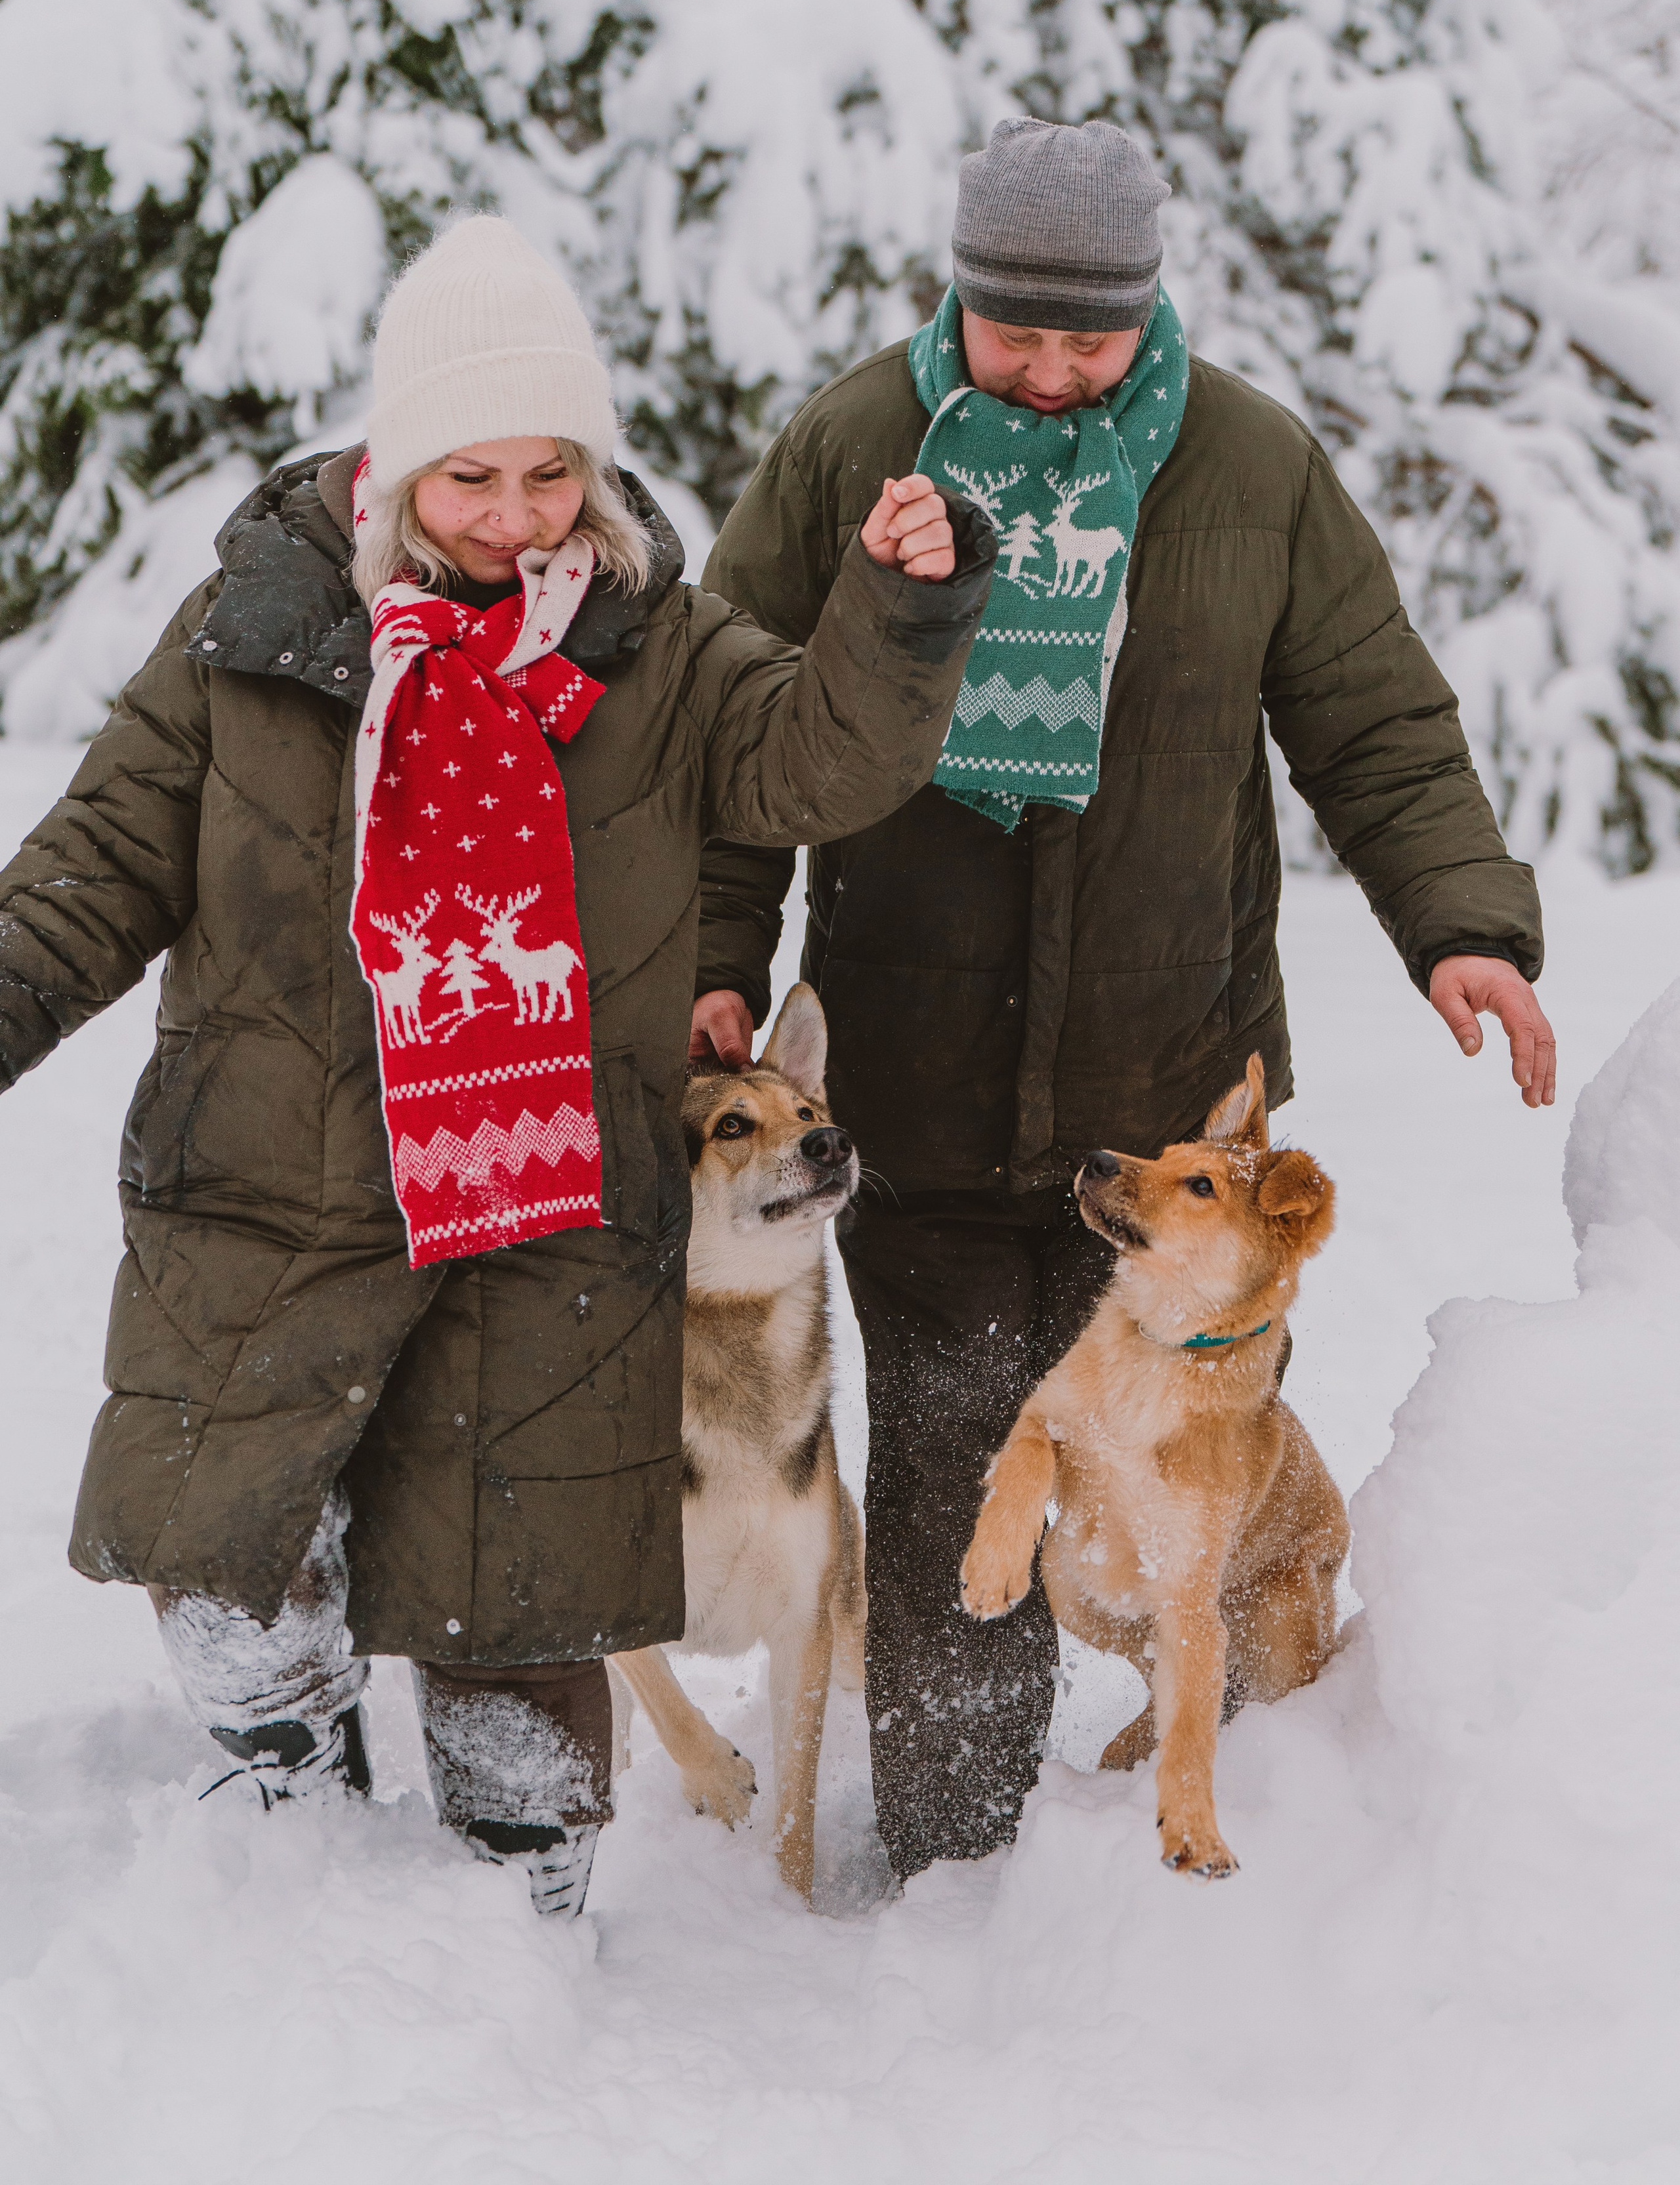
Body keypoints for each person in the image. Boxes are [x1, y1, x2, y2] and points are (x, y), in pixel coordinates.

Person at [0, 216, 992, 1917]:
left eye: (552, 475)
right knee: (231, 1570)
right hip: (270, 1191)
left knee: (513, 1631)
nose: (518, 518)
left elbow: (822, 759)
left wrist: (903, 615)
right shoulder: (253, 634)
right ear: (396, 472)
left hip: (544, 1224)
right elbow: (93, 871)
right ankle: (285, 1824)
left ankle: (515, 1959)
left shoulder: (656, 651)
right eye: (472, 477)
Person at [690, 116, 1553, 1887]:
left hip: (1175, 1111)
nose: (1053, 370)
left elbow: (1374, 715)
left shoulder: (1249, 464)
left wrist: (1460, 921)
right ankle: (958, 1865)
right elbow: (734, 731)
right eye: (1017, 333)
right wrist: (716, 956)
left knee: (1185, 1465)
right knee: (960, 1465)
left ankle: (1222, 1816)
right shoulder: (855, 445)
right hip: (917, 1073)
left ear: (1150, 308)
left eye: (1090, 338)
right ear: (959, 295)